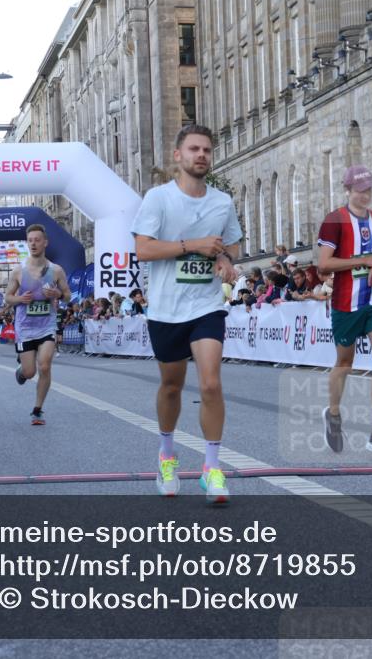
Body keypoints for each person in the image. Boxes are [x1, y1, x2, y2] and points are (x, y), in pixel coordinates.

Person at [132, 124, 242, 503]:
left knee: (210, 384)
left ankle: (213, 470)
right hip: (166, 308)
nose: (201, 155)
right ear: (177, 156)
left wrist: (227, 261)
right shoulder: (158, 199)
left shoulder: (222, 202)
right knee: (172, 386)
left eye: (207, 150)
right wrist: (192, 245)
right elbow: (143, 250)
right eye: (194, 149)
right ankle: (167, 455)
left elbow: (234, 246)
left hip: (206, 306)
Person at [317, 164, 372, 458]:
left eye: (369, 191)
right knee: (344, 362)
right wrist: (365, 260)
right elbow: (324, 265)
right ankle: (334, 412)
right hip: (345, 303)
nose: (365, 196)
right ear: (348, 190)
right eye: (360, 191)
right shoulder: (334, 221)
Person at [6, 223, 72, 426]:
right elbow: (8, 298)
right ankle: (21, 371)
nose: (33, 244)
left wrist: (58, 294)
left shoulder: (56, 270)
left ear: (45, 242)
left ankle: (37, 410)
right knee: (29, 372)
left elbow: (68, 296)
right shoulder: (19, 271)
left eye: (37, 240)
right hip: (25, 328)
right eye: (30, 240)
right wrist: (19, 300)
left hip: (47, 326)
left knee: (44, 365)